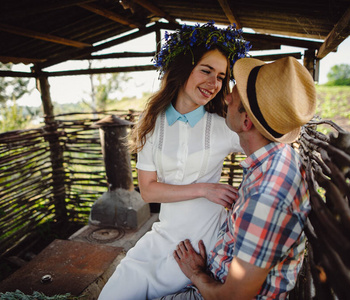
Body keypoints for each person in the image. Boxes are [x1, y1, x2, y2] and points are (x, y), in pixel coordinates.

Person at [98, 21, 251, 300]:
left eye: (221, 76)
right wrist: (204, 188)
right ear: (183, 71)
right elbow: (148, 190)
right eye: (206, 71)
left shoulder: (224, 126)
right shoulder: (152, 124)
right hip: (163, 237)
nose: (213, 83)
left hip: (205, 245)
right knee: (115, 291)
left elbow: (264, 149)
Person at [160, 56, 317, 299]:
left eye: (234, 95)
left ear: (246, 121)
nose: (226, 97)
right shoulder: (276, 157)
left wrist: (197, 273)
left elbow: (232, 297)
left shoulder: (266, 197)